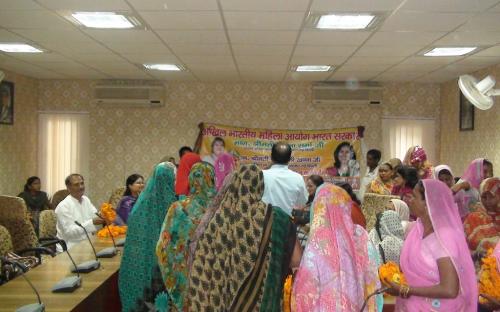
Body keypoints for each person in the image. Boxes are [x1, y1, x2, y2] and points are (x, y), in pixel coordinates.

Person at [187, 164, 298, 311]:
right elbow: (296, 261)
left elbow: (202, 272)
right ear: (261, 186)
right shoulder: (279, 219)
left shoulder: (216, 222)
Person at [386, 179, 477, 311]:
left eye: (415, 197)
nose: (409, 200)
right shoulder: (417, 229)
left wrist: (406, 289)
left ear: (428, 204)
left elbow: (450, 289)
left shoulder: (444, 237)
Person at [292, 183, 382, 311]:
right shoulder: (361, 237)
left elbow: (305, 296)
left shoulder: (317, 246)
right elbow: (373, 283)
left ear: (317, 209)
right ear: (346, 206)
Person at [156, 162, 215, 311]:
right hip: (212, 274)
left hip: (184, 276)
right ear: (212, 179)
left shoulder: (178, 208)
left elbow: (163, 246)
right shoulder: (220, 207)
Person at [119, 162, 177, 312]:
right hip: (157, 267)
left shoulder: (141, 203)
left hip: (142, 264)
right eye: (173, 179)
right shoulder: (172, 205)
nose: (175, 183)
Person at [55, 174, 105, 251]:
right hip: (69, 247)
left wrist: (103, 216)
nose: (81, 187)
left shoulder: (86, 200)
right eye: (76, 185)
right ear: (68, 188)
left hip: (88, 243)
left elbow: (96, 217)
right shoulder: (63, 206)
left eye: (82, 183)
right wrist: (92, 222)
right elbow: (69, 232)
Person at [262, 141, 308, 216]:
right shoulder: (298, 178)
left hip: (262, 224)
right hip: (284, 224)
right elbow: (302, 202)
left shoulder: (261, 175)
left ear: (271, 157)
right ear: (290, 159)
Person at [463, 177, 499, 261]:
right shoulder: (473, 218)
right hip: (483, 267)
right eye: (484, 197)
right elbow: (465, 247)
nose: (487, 201)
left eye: (492, 197)